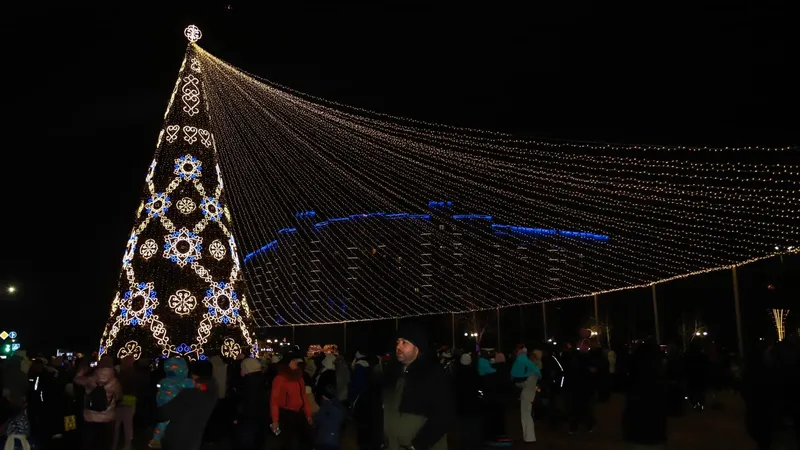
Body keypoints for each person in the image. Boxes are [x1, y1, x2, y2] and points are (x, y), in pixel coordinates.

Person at [383, 323, 455, 450]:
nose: (398, 346)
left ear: (417, 348)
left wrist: (418, 445)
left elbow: (443, 414)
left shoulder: (432, 374)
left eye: (404, 343)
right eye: (398, 342)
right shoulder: (392, 374)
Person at [153, 360, 218, 450]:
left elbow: (163, 414)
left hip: (177, 440)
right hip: (194, 440)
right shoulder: (211, 392)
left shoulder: (189, 395)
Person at [73, 356, 122, 450]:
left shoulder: (91, 379)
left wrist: (82, 371)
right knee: (103, 445)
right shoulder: (115, 382)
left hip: (90, 417)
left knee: (89, 444)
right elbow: (119, 397)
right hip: (107, 419)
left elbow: (76, 380)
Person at [149, 358, 196, 448]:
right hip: (175, 408)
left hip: (163, 405)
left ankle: (156, 438)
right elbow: (195, 385)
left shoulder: (163, 381)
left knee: (163, 423)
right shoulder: (183, 381)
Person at [270, 352, 313, 450]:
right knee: (291, 443)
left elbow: (303, 396)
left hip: (299, 413)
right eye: (293, 361)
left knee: (306, 441)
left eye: (297, 361)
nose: (296, 363)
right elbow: (274, 400)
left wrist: (308, 414)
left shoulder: (299, 377)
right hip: (287, 414)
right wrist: (275, 420)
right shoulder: (280, 378)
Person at [234, 358, 269, 450]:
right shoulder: (261, 380)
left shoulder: (248, 383)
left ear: (247, 369)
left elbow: (246, 403)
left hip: (249, 419)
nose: (240, 370)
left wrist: (237, 417)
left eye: (242, 368)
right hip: (261, 418)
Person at [511, 348, 541, 443]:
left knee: (526, 415)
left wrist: (517, 384)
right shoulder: (534, 368)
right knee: (526, 415)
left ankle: (529, 437)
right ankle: (527, 436)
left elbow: (527, 384)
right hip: (529, 394)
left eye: (533, 356)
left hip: (528, 394)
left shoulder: (533, 370)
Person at [315, 384, 344, 450]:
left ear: (324, 396)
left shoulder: (326, 407)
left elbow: (319, 421)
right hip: (334, 441)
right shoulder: (339, 407)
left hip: (325, 441)